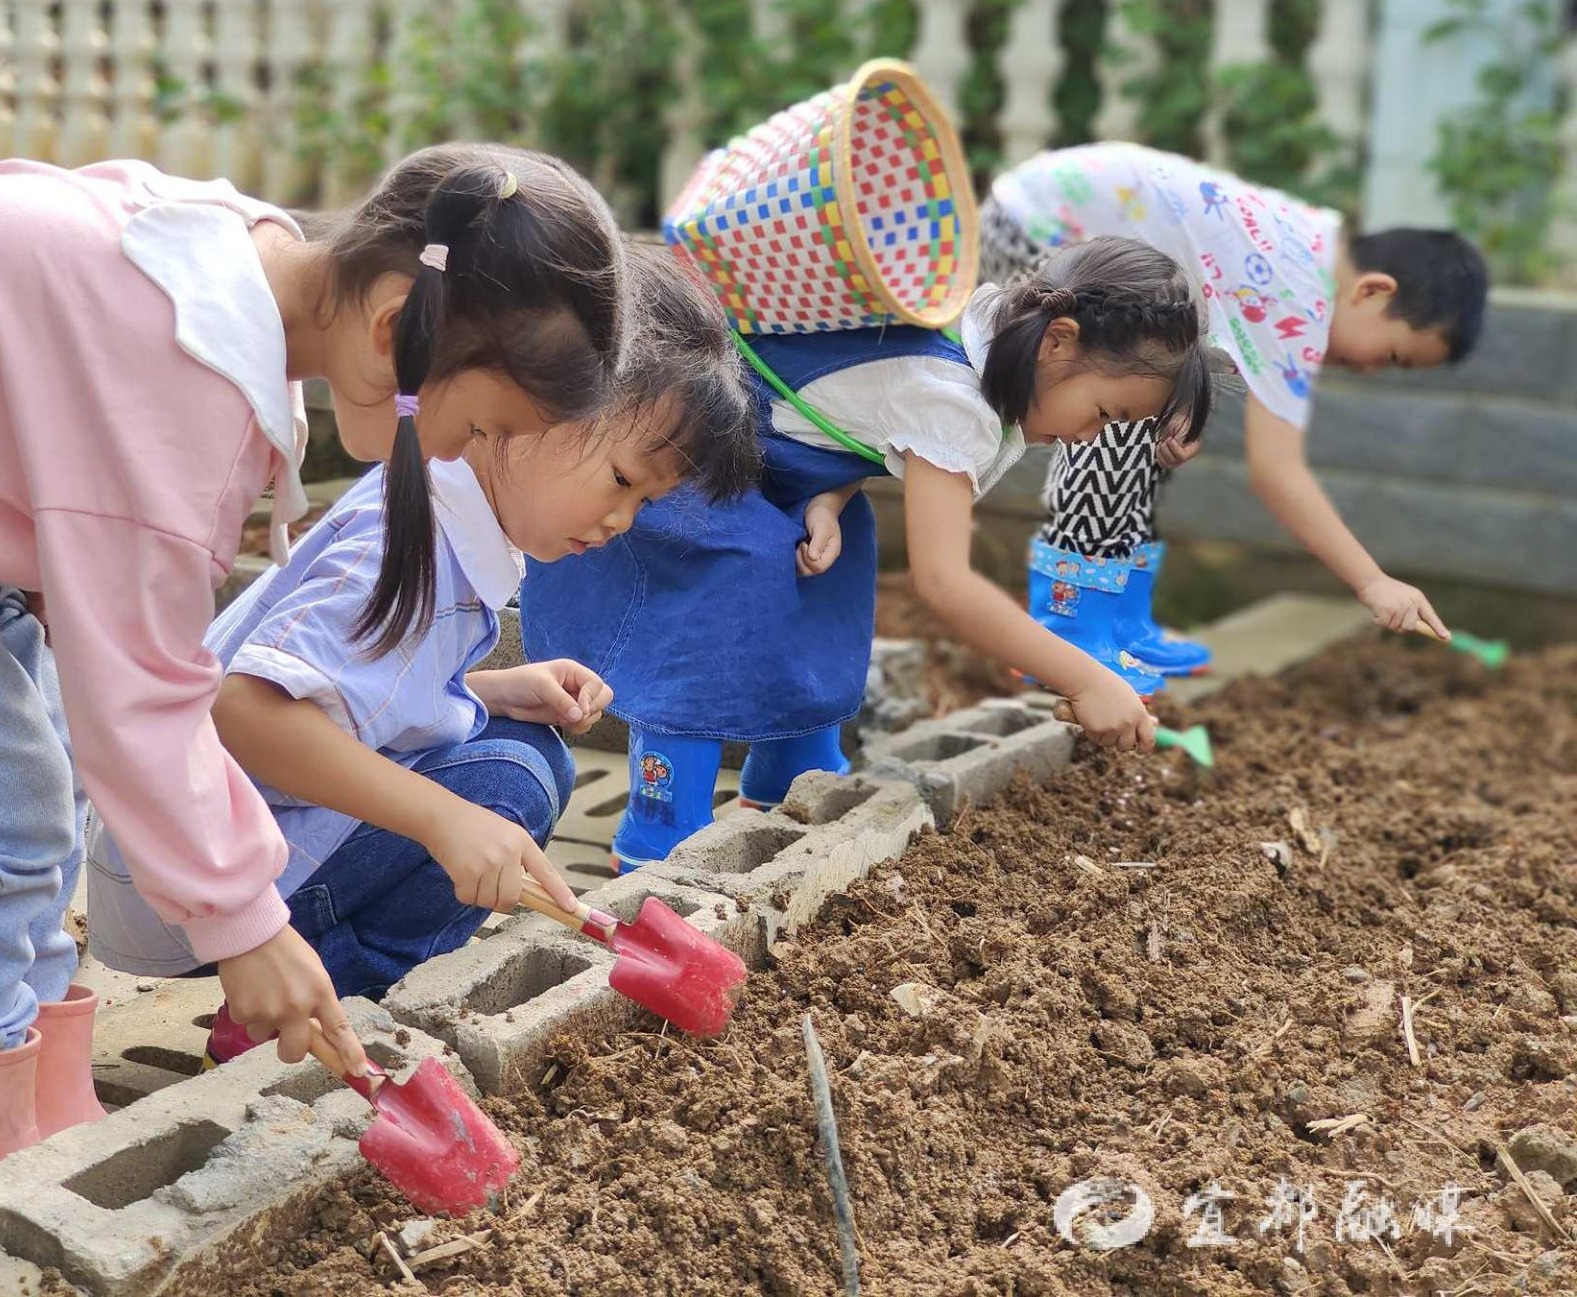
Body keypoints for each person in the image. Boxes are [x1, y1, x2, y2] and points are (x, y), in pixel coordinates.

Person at [0, 144, 629, 1228]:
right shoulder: (179, 385)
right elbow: (142, 698)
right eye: (482, 425)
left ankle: (36, 1097)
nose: (466, 454)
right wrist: (246, 926)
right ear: (393, 326)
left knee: (40, 791)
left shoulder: (255, 271)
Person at [84, 243, 762, 1064]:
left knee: (527, 750)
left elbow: (356, 687)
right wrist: (443, 820)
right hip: (197, 884)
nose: (622, 520)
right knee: (505, 787)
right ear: (533, 406)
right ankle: (310, 1009)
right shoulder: (411, 551)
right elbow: (244, 710)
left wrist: (489, 689)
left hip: (204, 846)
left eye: (645, 503)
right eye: (622, 479)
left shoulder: (436, 501)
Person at [523, 234, 1211, 871]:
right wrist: (1087, 680)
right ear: (1059, 341)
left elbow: (860, 411)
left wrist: (831, 495)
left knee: (835, 571)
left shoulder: (980, 323)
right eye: (1105, 414)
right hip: (692, 460)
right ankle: (661, 829)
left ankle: (792, 775)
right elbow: (944, 583)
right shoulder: (954, 399)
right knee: (726, 602)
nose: (1091, 437)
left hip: (772, 466)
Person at [980, 142, 1488, 685]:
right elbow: (1277, 473)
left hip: (1053, 216)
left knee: (1144, 417)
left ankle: (1120, 622)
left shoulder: (1306, 251)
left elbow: (1191, 319)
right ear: (1373, 291)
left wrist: (1178, 403)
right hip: (1036, 226)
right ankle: (1070, 633)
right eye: (1390, 356)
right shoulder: (1300, 295)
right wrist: (1372, 581)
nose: (1370, 371)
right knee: (1118, 425)